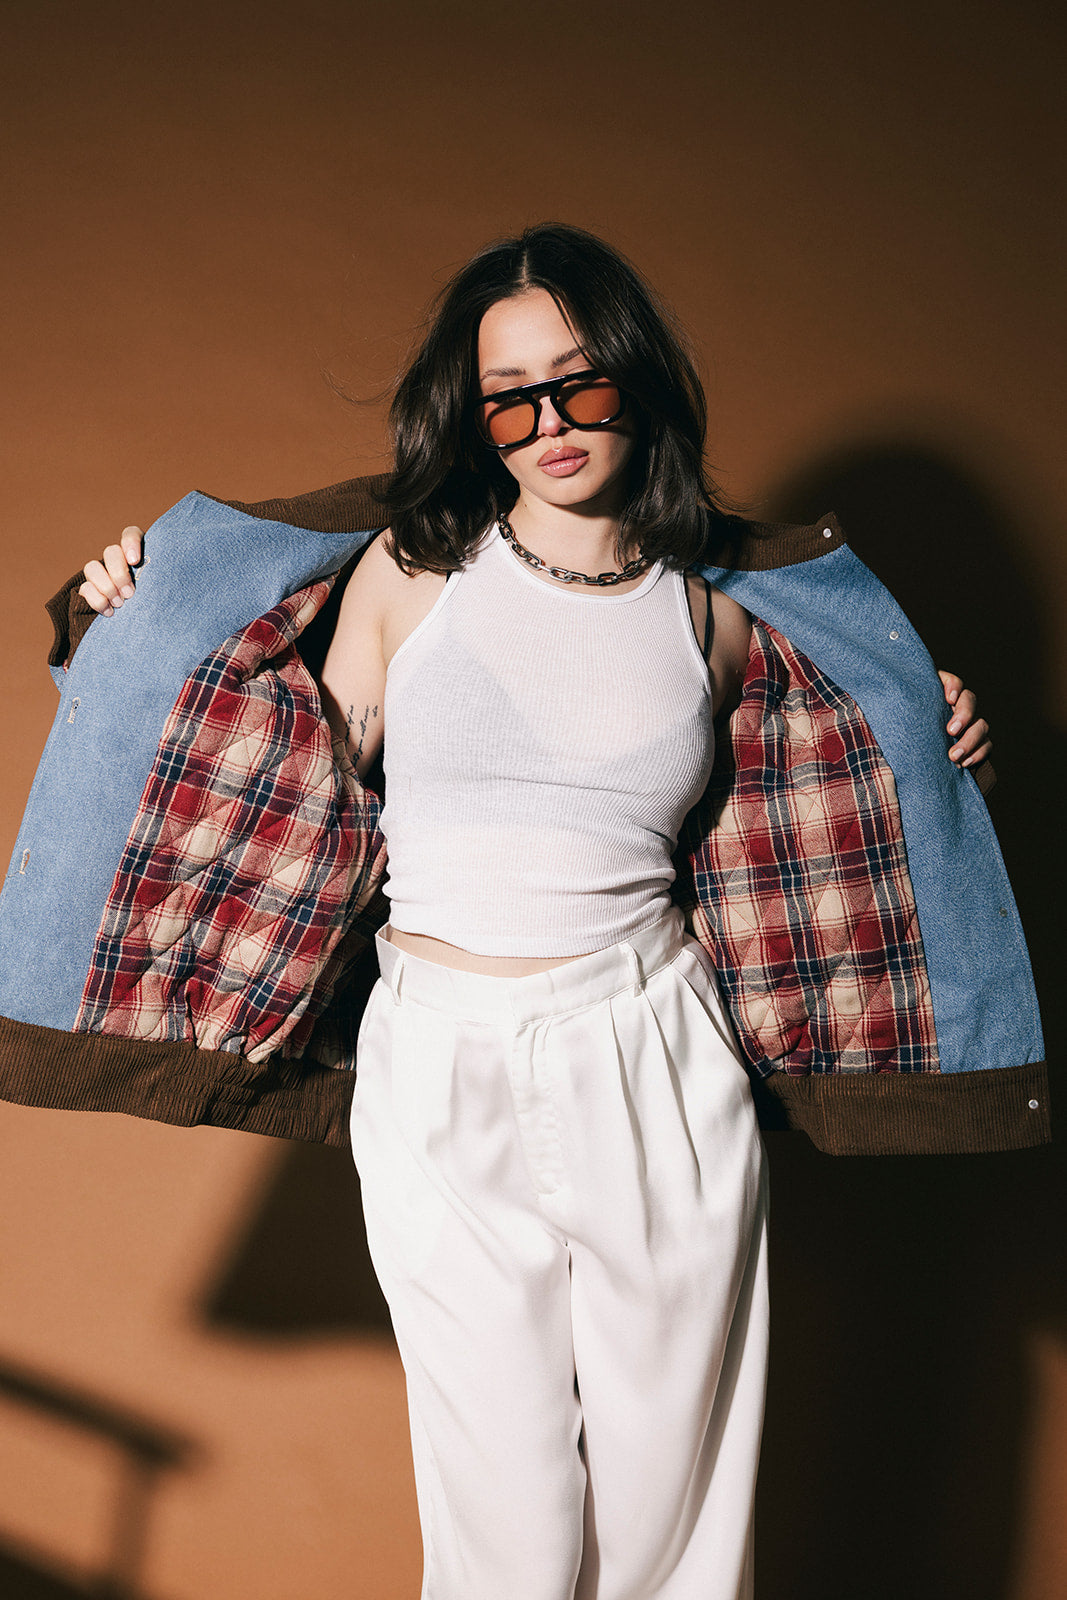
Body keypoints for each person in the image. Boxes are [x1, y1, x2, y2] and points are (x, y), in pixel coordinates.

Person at [42, 225, 1012, 1600]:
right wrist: (128, 626)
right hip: (440, 1065)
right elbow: (249, 767)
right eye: (513, 395)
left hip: (656, 1054)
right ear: (475, 412)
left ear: (640, 381)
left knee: (679, 1520)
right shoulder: (407, 575)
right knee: (501, 1527)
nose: (551, 422)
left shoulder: (725, 614)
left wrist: (937, 731)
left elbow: (848, 791)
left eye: (583, 382)